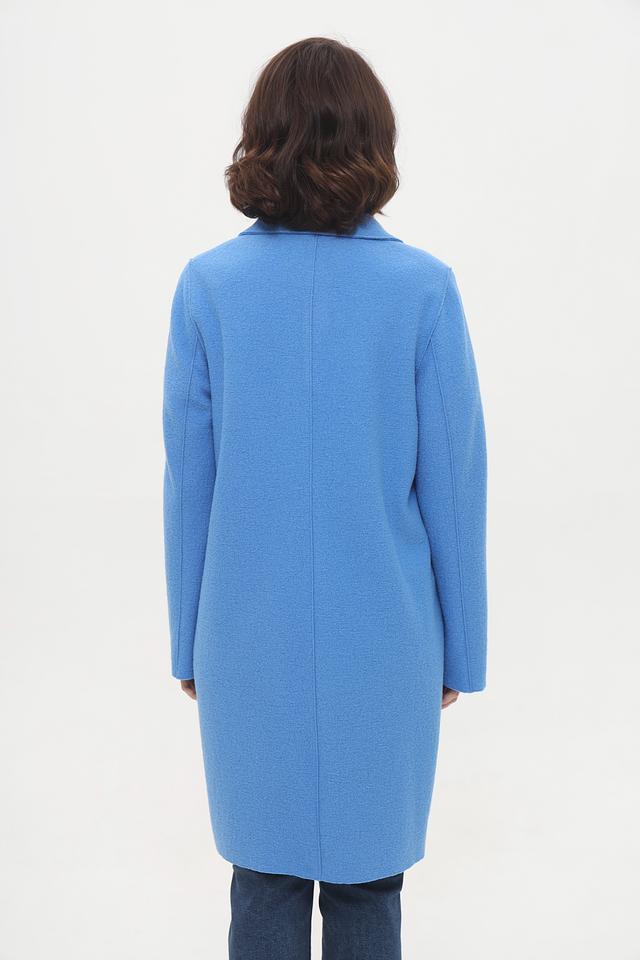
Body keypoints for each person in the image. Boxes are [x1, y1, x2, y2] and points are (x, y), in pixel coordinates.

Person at [163, 36, 487, 960]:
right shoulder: (422, 290)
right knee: (368, 889)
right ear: (373, 140)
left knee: (261, 883)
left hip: (244, 637)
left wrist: (188, 640)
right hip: (387, 641)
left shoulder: (209, 288)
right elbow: (455, 487)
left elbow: (190, 486)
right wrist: (463, 649)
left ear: (260, 138)